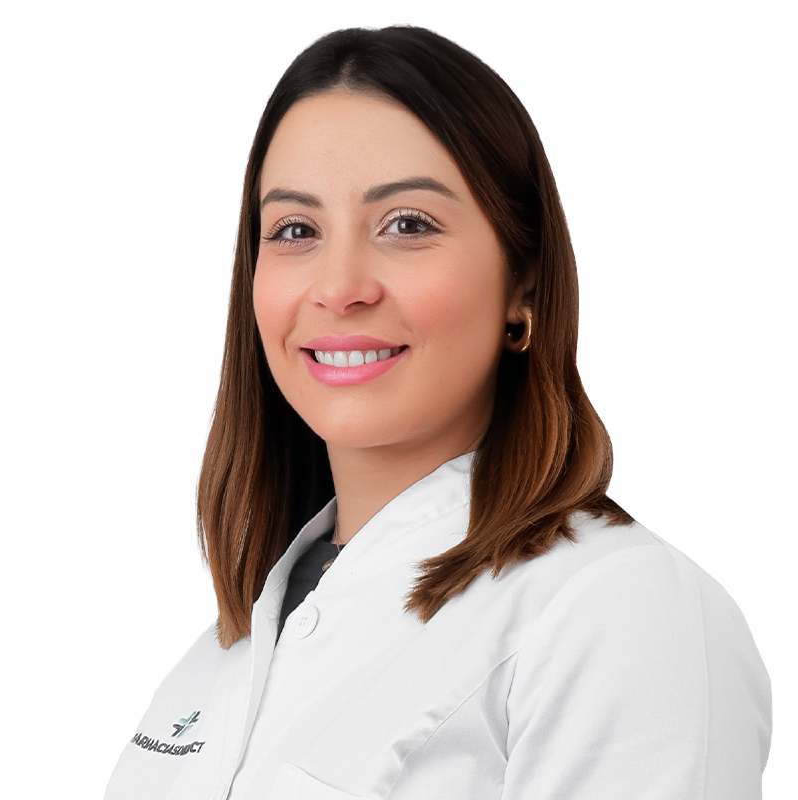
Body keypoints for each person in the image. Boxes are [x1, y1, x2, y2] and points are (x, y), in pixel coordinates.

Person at [105, 25, 771, 800]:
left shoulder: (621, 610)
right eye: (295, 230)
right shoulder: (225, 652)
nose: (339, 286)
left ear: (523, 284)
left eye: (408, 225)